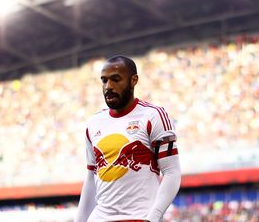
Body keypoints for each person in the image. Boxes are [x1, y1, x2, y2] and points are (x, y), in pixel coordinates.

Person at [75, 55, 181, 222]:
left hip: (139, 218)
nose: (108, 87)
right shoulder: (93, 123)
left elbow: (172, 172)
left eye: (116, 79)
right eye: (104, 81)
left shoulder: (153, 116)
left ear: (134, 80)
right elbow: (91, 178)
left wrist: (153, 218)